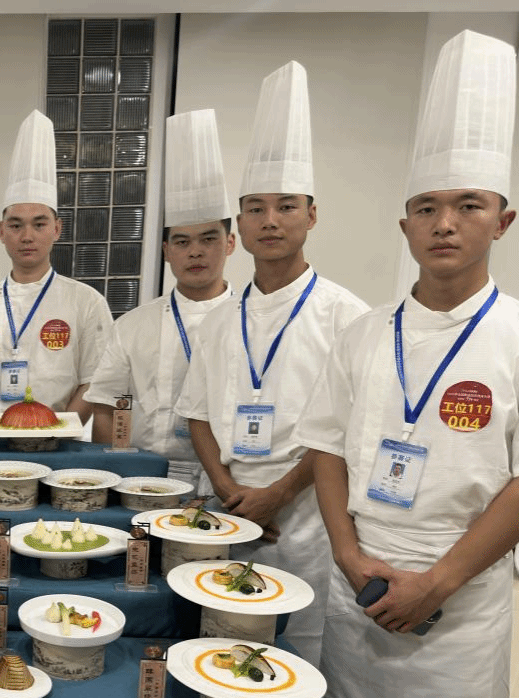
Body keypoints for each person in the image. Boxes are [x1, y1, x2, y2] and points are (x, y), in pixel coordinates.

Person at [295, 32, 519, 698]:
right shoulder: (363, 333)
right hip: (361, 571)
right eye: (427, 207)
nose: (446, 223)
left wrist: (439, 580)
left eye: (468, 205)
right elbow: (326, 448)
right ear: (404, 224)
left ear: (503, 220)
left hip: (461, 589)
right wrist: (346, 553)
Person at [174, 62, 369, 666]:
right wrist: (229, 489)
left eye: (287, 206)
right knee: (218, 645)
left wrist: (277, 495)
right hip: (229, 513)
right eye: (256, 208)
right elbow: (197, 415)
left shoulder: (347, 316)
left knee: (294, 651)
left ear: (312, 214)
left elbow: (342, 433)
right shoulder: (221, 318)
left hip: (307, 519)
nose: (271, 220)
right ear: (241, 223)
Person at [86, 109, 235, 486]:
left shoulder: (248, 322)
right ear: (167, 251)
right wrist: (117, 475)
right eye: (182, 242)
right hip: (142, 476)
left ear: (230, 243)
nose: (195, 252)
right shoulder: (133, 325)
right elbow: (105, 406)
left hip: (228, 481)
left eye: (208, 239)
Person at [0, 110, 110, 428]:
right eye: (16, 225)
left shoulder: (86, 301)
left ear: (57, 229)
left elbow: (95, 380)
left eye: (39, 224)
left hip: (63, 443)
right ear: (1, 231)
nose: (27, 236)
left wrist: (57, 431)